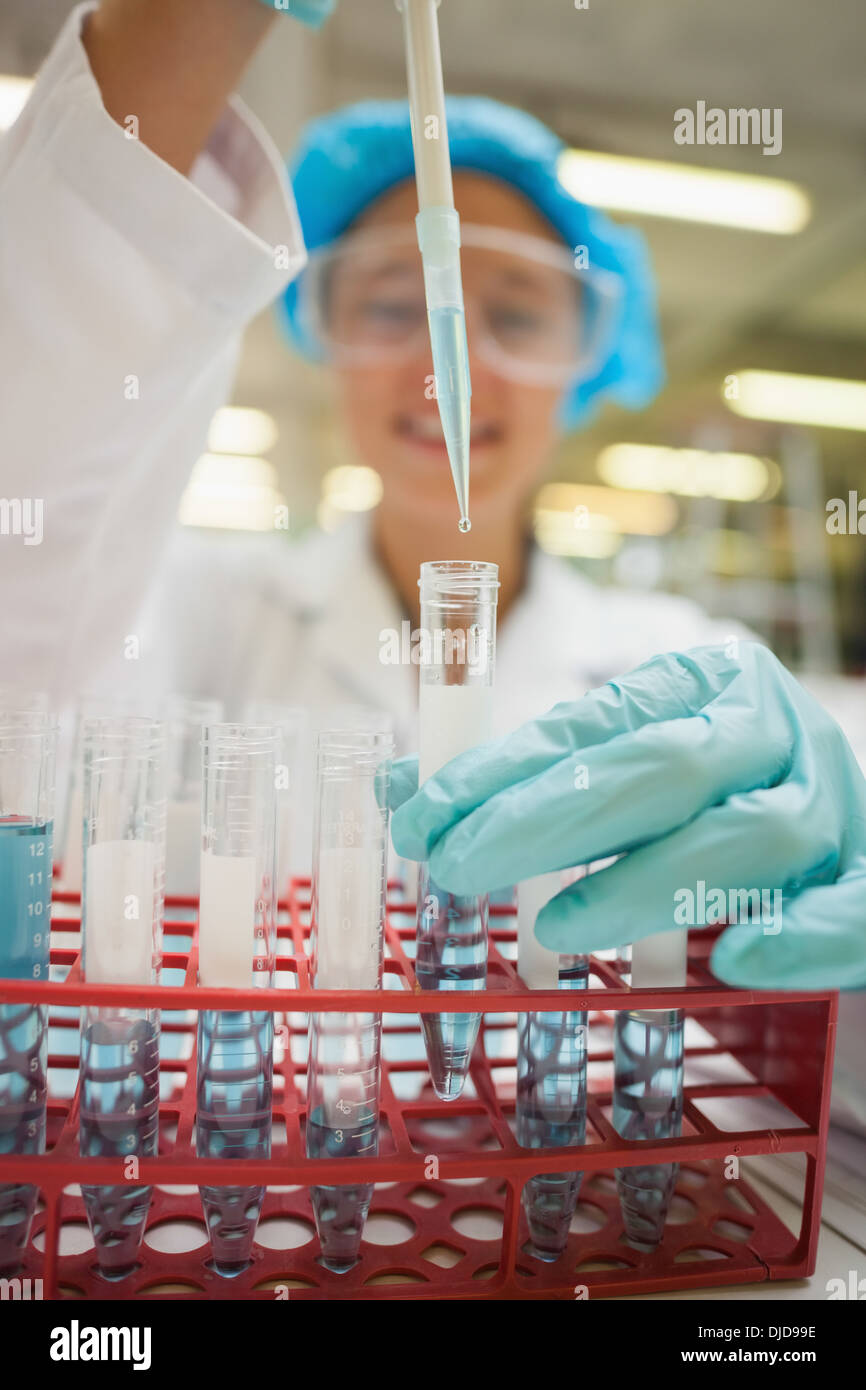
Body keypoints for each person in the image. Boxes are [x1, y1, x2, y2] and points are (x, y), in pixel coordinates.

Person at [1, 0, 865, 1012]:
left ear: (583, 358)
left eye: (512, 314)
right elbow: (31, 521)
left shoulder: (678, 671)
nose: (438, 365)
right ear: (321, 331)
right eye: (383, 306)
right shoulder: (190, 615)